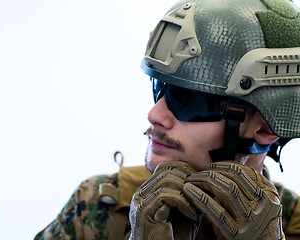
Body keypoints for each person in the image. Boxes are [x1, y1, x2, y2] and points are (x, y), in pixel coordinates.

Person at [34, 0, 300, 239]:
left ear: (264, 127)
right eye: (159, 88)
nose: (155, 116)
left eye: (188, 99)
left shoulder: (294, 222)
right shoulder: (99, 203)